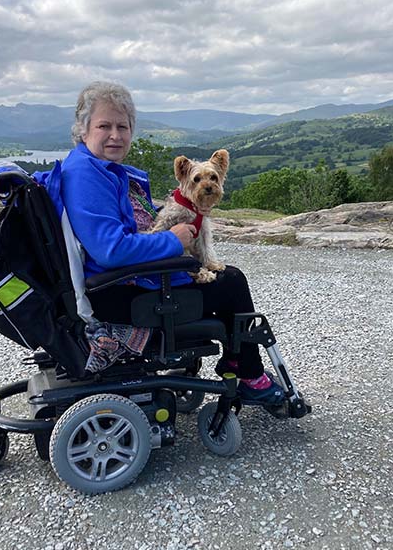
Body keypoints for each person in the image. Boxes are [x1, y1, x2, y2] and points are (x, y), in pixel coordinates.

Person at [60, 81, 284, 403]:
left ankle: (237, 361)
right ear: (84, 130)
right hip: (121, 293)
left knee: (221, 279)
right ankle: (248, 374)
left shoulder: (91, 167)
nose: (116, 135)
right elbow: (111, 251)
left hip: (116, 283)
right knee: (232, 283)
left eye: (123, 126)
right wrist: (171, 240)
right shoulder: (86, 176)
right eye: (104, 126)